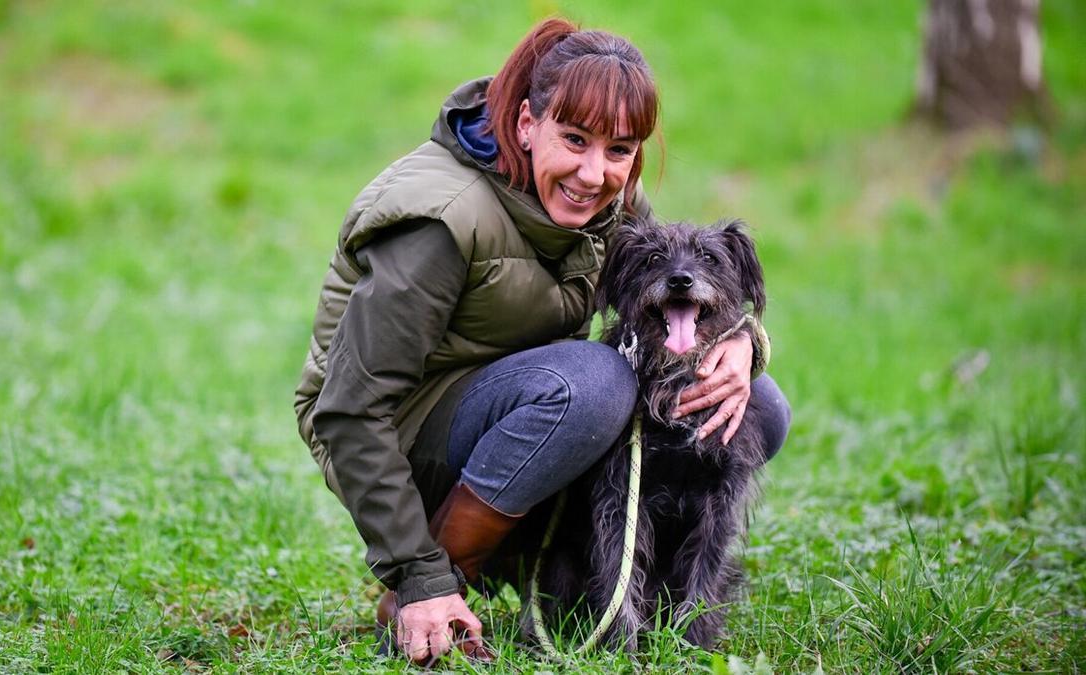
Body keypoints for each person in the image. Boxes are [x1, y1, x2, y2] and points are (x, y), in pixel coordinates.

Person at [294, 18, 790, 664]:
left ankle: (644, 595)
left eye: (620, 149)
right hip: (396, 431)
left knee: (756, 404)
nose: (594, 172)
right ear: (528, 125)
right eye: (575, 139)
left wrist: (748, 342)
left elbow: (679, 280)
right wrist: (418, 575)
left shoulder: (607, 200)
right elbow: (347, 410)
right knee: (595, 384)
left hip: (521, 411)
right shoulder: (441, 221)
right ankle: (439, 581)